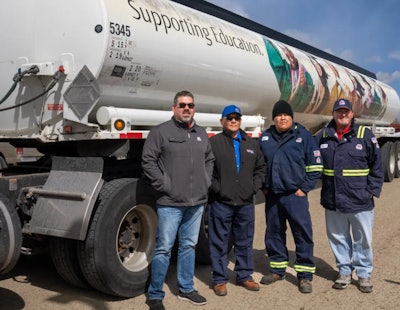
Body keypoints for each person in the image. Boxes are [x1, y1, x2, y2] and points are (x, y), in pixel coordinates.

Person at [142, 90, 215, 310]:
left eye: (190, 105)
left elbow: (209, 160)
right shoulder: (161, 132)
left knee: (188, 246)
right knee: (164, 248)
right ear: (173, 107)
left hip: (196, 202)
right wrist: (165, 186)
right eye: (182, 105)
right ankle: (155, 294)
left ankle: (186, 288)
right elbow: (148, 161)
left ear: (194, 108)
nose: (186, 109)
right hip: (170, 203)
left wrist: (205, 183)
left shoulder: (201, 133)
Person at [315, 98, 384, 293]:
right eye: (339, 111)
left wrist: (371, 191)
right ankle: (344, 271)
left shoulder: (364, 135)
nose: (342, 114)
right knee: (337, 237)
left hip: (360, 200)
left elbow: (377, 166)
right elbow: (309, 157)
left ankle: (363, 274)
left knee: (362, 239)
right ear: (334, 114)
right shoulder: (323, 136)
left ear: (352, 114)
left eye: (346, 111)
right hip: (333, 199)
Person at [258, 100, 323, 293]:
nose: (282, 118)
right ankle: (277, 269)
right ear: (274, 118)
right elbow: (259, 166)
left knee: (302, 234)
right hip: (273, 196)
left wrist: (304, 189)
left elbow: (316, 165)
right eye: (278, 115)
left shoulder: (303, 136)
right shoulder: (265, 138)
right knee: (274, 233)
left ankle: (304, 276)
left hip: (296, 196)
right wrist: (264, 187)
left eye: (286, 115)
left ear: (292, 117)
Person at [208, 105, 266, 296]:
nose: (233, 121)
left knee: (245, 241)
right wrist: (219, 189)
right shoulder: (214, 143)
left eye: (236, 118)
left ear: (240, 121)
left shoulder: (250, 143)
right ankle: (219, 279)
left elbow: (261, 168)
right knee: (219, 241)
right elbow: (207, 170)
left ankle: (244, 276)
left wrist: (252, 187)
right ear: (222, 121)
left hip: (245, 203)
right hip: (221, 202)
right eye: (229, 118)